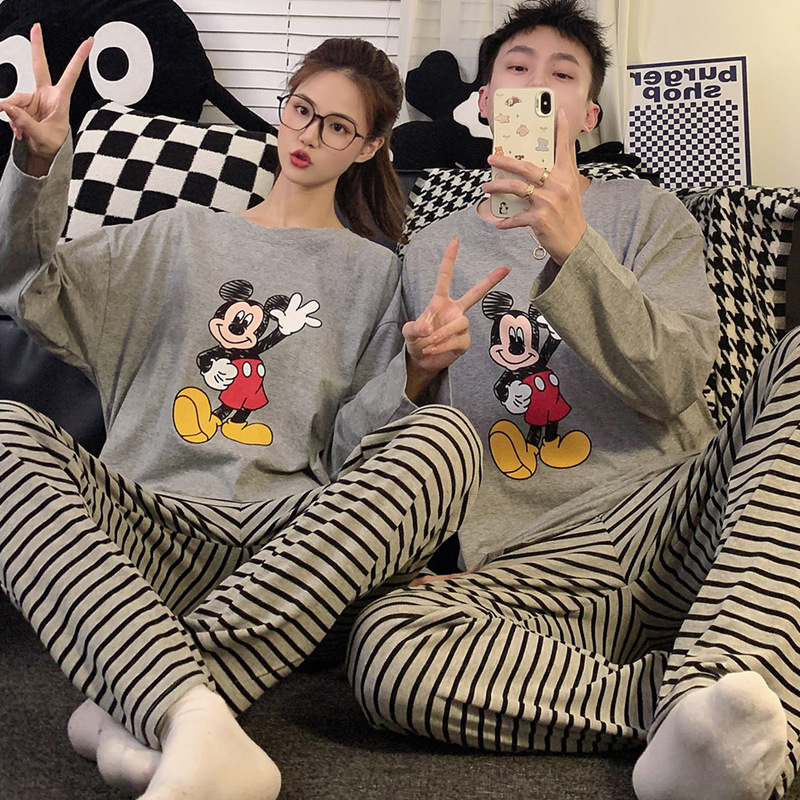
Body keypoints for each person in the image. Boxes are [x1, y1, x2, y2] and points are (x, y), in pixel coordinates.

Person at [0, 25, 507, 800]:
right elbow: (32, 293)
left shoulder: (378, 274)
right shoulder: (178, 235)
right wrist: (37, 166)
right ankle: (187, 717)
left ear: (370, 147)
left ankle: (143, 704)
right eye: (301, 110)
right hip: (147, 532)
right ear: (283, 108)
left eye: (337, 127)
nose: (308, 136)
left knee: (446, 436)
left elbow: (349, 459)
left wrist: (416, 371)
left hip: (289, 553)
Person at [347, 2, 800, 799]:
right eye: (517, 70)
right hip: (530, 564)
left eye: (562, 75)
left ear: (588, 114)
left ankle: (722, 680)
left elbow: (676, 380)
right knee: (385, 646)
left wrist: (574, 248)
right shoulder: (427, 250)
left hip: (674, 521)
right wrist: (413, 374)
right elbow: (361, 452)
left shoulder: (648, 212)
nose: (538, 86)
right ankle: (695, 711)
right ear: (485, 101)